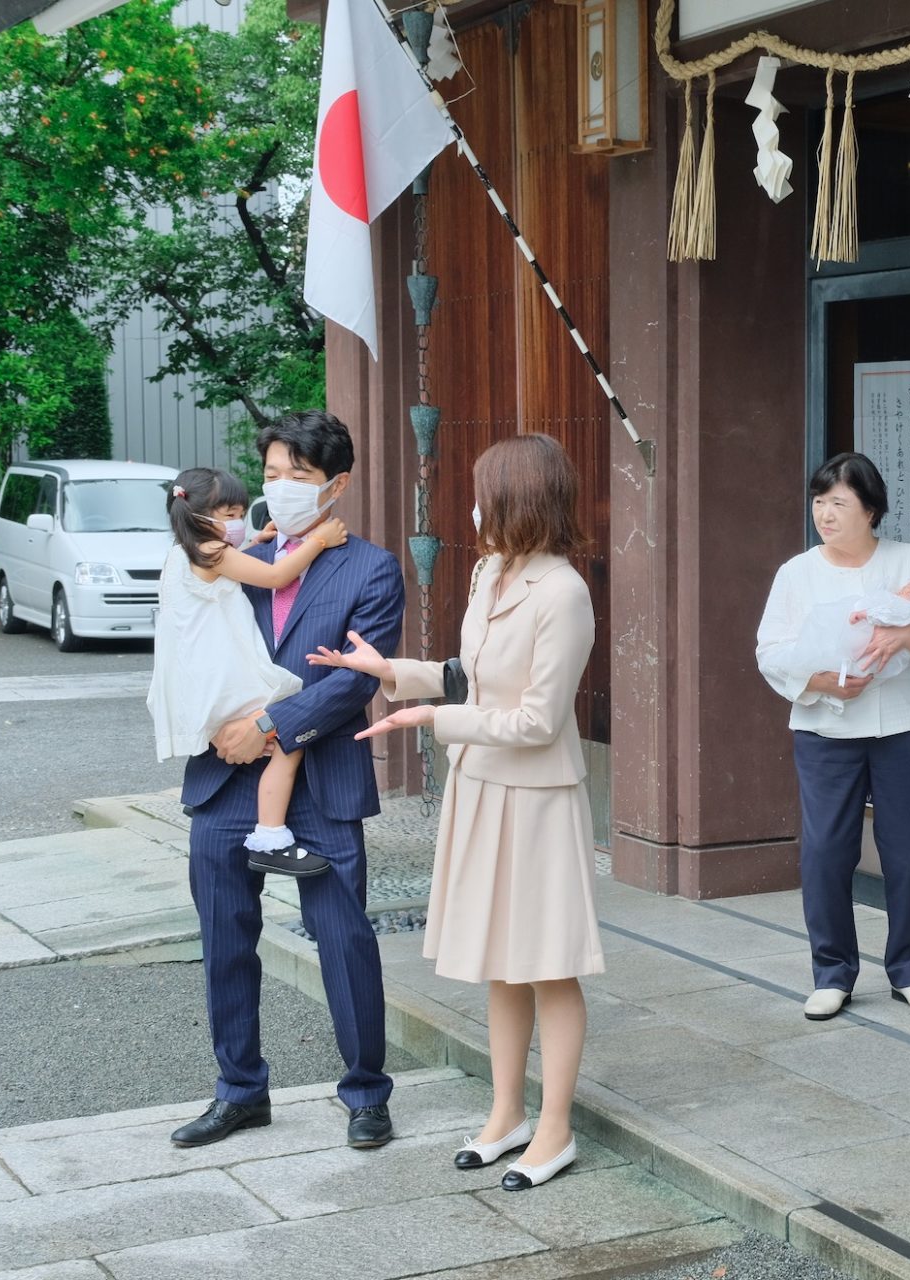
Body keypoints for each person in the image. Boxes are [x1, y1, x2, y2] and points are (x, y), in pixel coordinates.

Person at [315, 434, 603, 1192]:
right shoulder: (489, 571)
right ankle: (506, 1112)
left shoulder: (564, 591)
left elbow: (539, 720)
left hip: (537, 797)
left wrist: (432, 723)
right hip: (480, 786)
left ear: (517, 498)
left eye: (482, 491)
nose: (470, 506)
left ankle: (555, 1127)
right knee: (500, 960)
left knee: (548, 961)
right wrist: (391, 674)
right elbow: (466, 675)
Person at [169, 411, 404, 1152]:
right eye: (271, 474)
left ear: (336, 485)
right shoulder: (228, 552)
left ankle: (366, 1092)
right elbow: (184, 643)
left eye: (297, 477)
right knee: (226, 943)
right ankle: (240, 1092)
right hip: (224, 778)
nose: (280, 488)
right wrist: (219, 729)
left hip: (322, 778)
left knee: (343, 941)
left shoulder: (371, 568)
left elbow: (349, 686)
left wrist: (269, 728)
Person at [756, 452, 910, 1021]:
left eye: (838, 503)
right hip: (826, 728)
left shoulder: (907, 561)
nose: (824, 513)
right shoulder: (796, 573)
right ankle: (832, 972)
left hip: (903, 727)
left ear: (871, 510)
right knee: (826, 851)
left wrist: (907, 639)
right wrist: (820, 683)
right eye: (819, 502)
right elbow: (768, 653)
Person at [148, 467, 347, 879]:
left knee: (274, 743)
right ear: (200, 517)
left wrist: (257, 542)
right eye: (230, 513)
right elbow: (276, 576)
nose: (238, 522)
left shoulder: (179, 555)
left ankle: (268, 831)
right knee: (289, 736)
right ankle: (271, 836)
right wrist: (318, 542)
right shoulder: (213, 553)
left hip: (196, 681)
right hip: (225, 677)